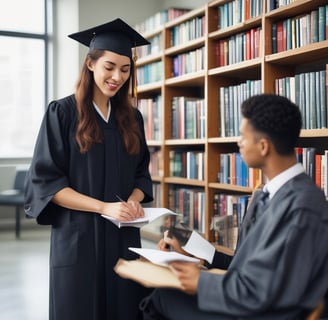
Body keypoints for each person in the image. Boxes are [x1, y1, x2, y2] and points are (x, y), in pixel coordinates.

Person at [140, 94, 328, 320]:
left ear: (263, 146)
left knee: (161, 299)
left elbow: (272, 294)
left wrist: (201, 282)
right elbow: (245, 267)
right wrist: (193, 261)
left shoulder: (303, 208)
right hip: (244, 299)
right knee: (162, 294)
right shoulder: (265, 195)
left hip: (259, 313)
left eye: (242, 136)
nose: (238, 142)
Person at [24, 18, 153, 320]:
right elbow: (47, 183)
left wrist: (134, 199)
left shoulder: (132, 118)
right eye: (109, 66)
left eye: (125, 69)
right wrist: (103, 207)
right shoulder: (63, 113)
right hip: (78, 237)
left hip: (123, 237)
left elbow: (141, 175)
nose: (117, 77)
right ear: (91, 63)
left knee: (125, 308)